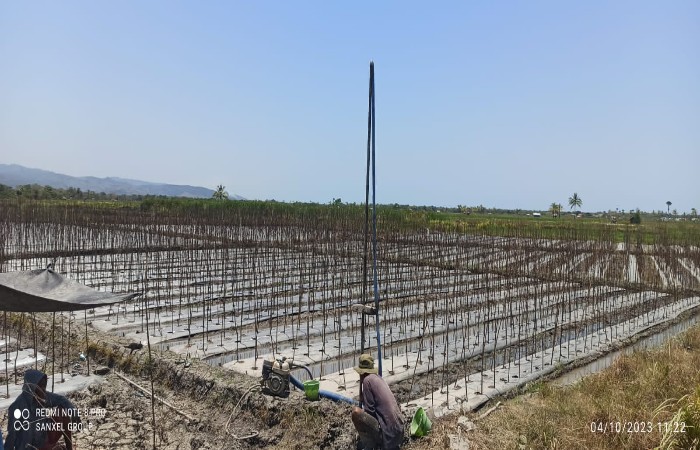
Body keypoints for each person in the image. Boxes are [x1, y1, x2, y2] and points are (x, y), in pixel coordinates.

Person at [6, 369, 80, 450]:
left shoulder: (44, 396)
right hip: (28, 446)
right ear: (32, 387)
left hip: (44, 440)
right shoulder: (17, 406)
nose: (43, 389)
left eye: (44, 386)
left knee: (61, 411)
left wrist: (73, 412)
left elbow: (61, 399)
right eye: (40, 386)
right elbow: (11, 435)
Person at [351, 354, 404, 450]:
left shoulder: (367, 381)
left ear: (362, 372)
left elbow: (369, 412)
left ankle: (370, 445)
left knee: (356, 412)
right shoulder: (378, 378)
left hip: (388, 434)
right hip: (398, 432)